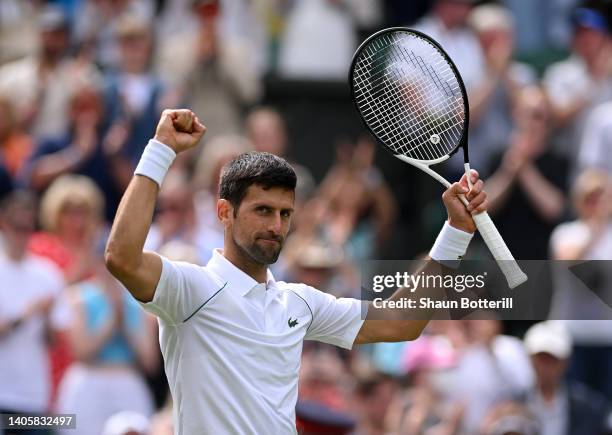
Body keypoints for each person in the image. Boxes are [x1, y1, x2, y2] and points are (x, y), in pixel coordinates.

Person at [104, 109, 488, 434]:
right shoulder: (190, 288)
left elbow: (401, 322)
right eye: (263, 210)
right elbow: (121, 257)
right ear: (224, 212)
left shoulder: (299, 302)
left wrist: (455, 231)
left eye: (285, 214)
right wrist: (160, 151)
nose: (276, 225)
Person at [0, 191, 66, 434]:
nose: (22, 235)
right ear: (4, 224)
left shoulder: (48, 274)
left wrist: (47, 317)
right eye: (17, 227)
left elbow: (54, 341)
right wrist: (27, 313)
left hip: (34, 396)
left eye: (27, 228)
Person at [524, 321, 609, 435]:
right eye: (541, 359)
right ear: (531, 360)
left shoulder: (591, 407)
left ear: (565, 363)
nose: (546, 367)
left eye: (552, 360)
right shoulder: (513, 404)